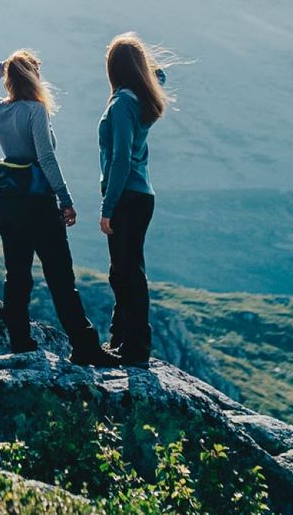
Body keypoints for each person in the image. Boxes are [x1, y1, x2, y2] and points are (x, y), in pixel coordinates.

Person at [0, 51, 110, 365]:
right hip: (38, 205)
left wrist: (4, 66)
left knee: (17, 277)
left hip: (8, 205)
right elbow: (46, 158)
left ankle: (21, 344)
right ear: (33, 77)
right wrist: (65, 199)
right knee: (60, 278)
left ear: (11, 78)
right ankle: (85, 346)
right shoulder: (36, 111)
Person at [97, 33, 170, 367]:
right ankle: (122, 339)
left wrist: (107, 206)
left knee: (126, 271)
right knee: (124, 270)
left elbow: (121, 158)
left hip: (126, 195)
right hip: (141, 194)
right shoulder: (141, 97)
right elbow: (160, 77)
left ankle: (134, 347)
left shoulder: (125, 102)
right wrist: (141, 62)